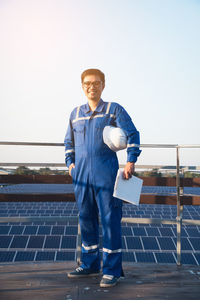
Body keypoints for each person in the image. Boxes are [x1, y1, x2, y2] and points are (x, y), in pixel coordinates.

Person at [64, 68, 141, 287]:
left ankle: (112, 270)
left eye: (96, 83)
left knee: (110, 220)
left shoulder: (113, 110)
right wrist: (70, 165)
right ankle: (89, 265)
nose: (92, 86)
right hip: (81, 177)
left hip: (106, 173)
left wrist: (130, 160)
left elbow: (133, 134)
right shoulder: (75, 114)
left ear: (103, 85)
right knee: (86, 218)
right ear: (82, 86)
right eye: (87, 83)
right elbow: (68, 143)